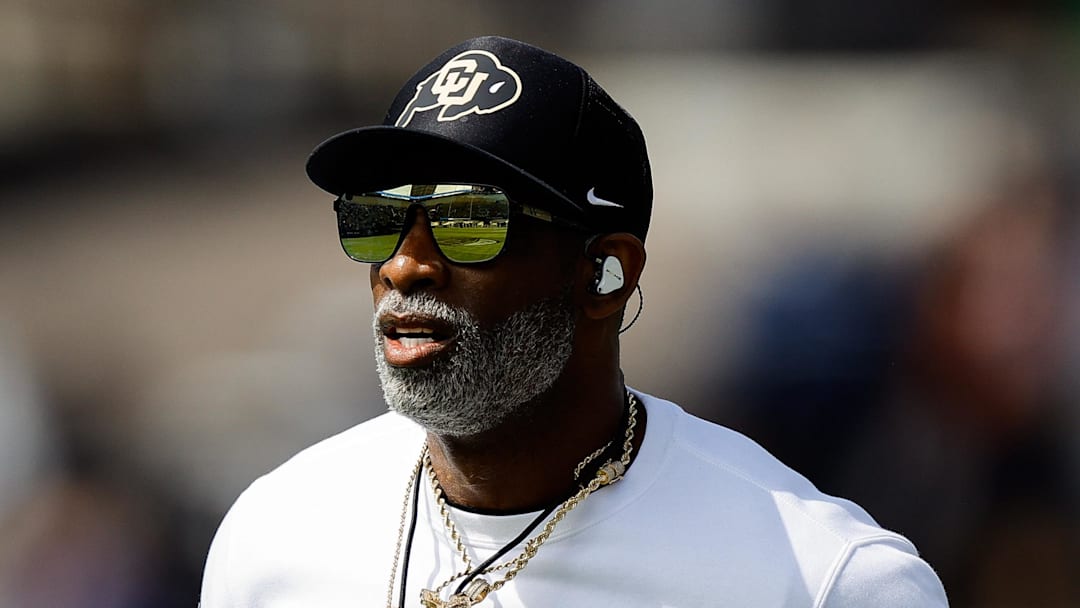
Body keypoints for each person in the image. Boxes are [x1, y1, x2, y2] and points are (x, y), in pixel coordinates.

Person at [200, 36, 948, 607]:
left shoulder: (821, 579)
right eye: (377, 219)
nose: (404, 264)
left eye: (468, 220)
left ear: (604, 271)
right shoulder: (273, 533)